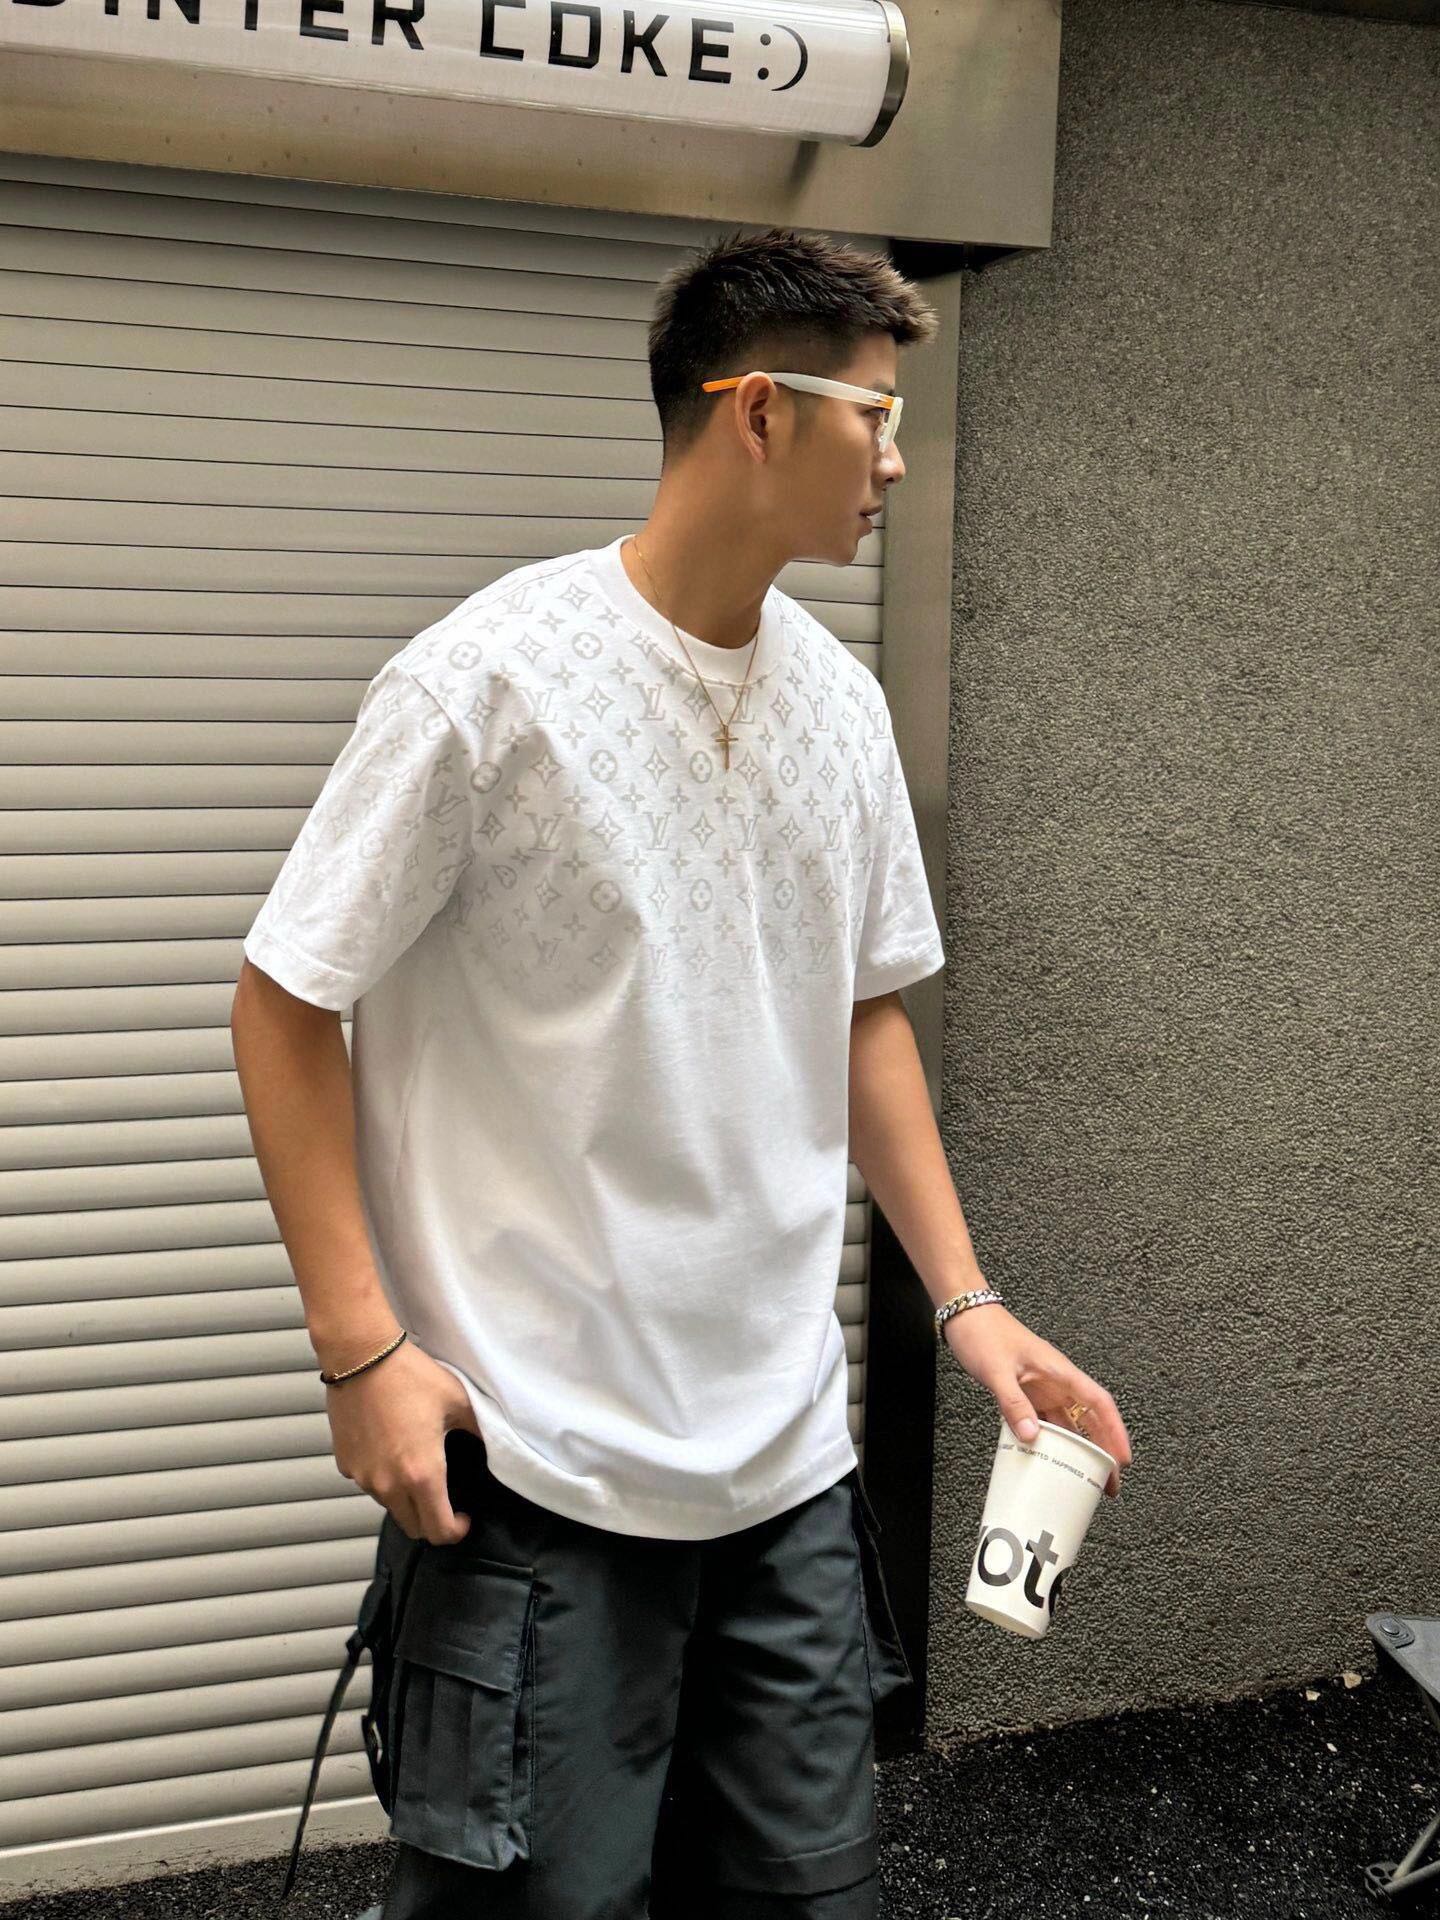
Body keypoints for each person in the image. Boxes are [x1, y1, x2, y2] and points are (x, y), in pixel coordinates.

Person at [232, 225, 1133, 1920]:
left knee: (806, 1897)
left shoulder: (844, 710)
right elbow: (284, 1000)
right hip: (537, 1464)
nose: (895, 457)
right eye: (873, 414)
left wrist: (969, 1303)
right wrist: (361, 1351)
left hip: (786, 1467)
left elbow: (862, 1017)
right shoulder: (485, 683)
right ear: (756, 411)